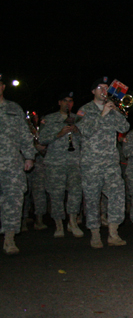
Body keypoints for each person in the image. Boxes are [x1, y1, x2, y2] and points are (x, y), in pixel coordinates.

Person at [76, 77, 130, 248]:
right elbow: (84, 131)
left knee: (117, 195)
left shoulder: (113, 109)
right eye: (100, 87)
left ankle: (113, 233)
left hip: (111, 163)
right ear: (93, 91)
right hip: (91, 163)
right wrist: (102, 114)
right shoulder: (84, 110)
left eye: (107, 87)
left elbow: (124, 128)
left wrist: (116, 111)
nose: (104, 90)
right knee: (92, 199)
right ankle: (95, 234)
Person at [38, 91, 84, 238]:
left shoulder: (79, 119)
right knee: (56, 194)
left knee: (75, 193)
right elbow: (42, 140)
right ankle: (59, 224)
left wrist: (77, 131)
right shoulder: (50, 119)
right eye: (65, 100)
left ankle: (72, 222)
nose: (67, 103)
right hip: (55, 163)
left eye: (70, 101)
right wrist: (59, 134)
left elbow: (88, 141)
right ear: (59, 103)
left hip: (74, 162)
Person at [0, 74, 36, 255]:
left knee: (13, 200)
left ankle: (9, 238)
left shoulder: (14, 108)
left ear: (3, 87)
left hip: (12, 163)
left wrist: (29, 156)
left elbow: (25, 135)